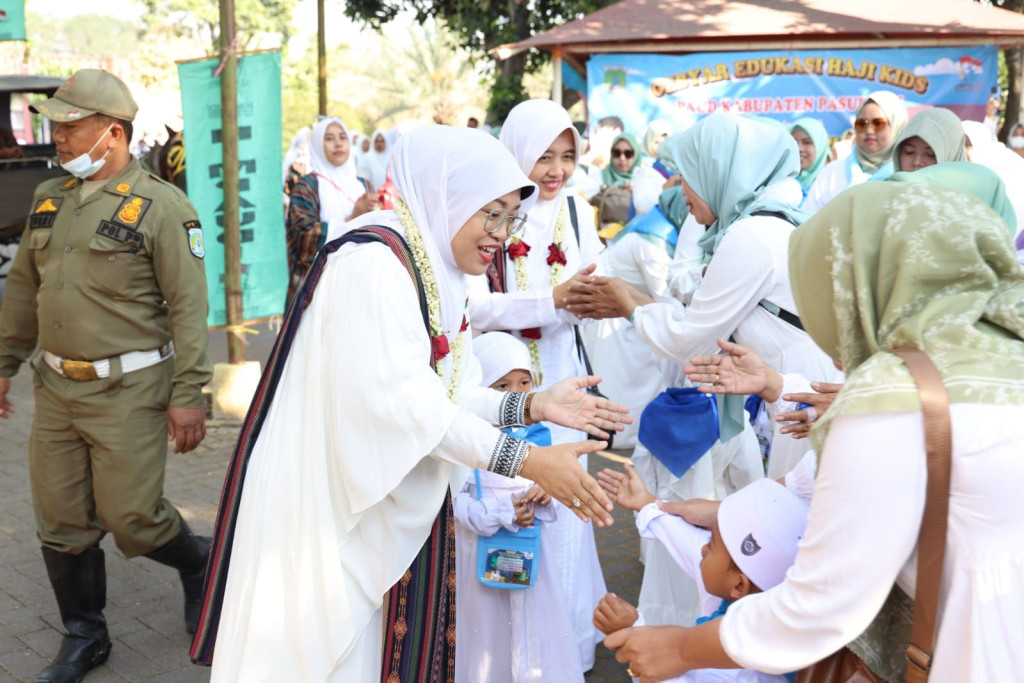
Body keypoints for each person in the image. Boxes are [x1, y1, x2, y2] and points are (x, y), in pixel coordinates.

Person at [189, 125, 629, 682]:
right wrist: (529, 460)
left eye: (511, 218)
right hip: (337, 511)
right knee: (333, 657)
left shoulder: (436, 265)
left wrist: (534, 407)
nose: (500, 235)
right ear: (448, 197)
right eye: (491, 214)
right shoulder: (374, 265)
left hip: (389, 498)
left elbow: (450, 393)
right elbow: (409, 406)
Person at [604, 181, 1024, 683]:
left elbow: (821, 604)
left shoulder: (889, 400)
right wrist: (722, 509)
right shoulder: (995, 359)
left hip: (972, 652)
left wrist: (681, 647)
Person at [0, 69, 213, 683]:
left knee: (133, 518)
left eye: (71, 127)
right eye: (55, 126)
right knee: (61, 518)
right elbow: (23, 291)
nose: (58, 138)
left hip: (130, 390)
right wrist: (4, 364)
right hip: (55, 389)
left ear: (113, 133)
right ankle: (85, 636)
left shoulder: (164, 207)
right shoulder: (49, 198)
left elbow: (188, 308)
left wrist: (189, 394)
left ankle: (199, 561)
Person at [469, 98, 608, 671]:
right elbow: (476, 309)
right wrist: (549, 301)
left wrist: (594, 297)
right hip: (507, 379)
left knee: (565, 503)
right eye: (543, 156)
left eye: (567, 156)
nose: (556, 170)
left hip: (563, 373)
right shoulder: (497, 211)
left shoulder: (577, 211)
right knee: (510, 500)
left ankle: (566, 647)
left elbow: (593, 277)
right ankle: (512, 650)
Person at [454, 331, 584, 683]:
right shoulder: (467, 443)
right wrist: (501, 514)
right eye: (502, 385)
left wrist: (544, 493)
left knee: (533, 629)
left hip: (528, 557)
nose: (515, 393)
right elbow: (456, 506)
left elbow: (552, 500)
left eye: (524, 383)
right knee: (488, 634)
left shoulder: (537, 438)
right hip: (480, 560)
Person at [594, 473, 807, 683]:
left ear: (739, 585)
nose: (703, 549)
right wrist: (647, 505)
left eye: (711, 545)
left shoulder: (742, 669)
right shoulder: (752, 593)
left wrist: (632, 630)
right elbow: (690, 543)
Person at [285, 116, 378, 303]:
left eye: (343, 137)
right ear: (317, 144)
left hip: (360, 282)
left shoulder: (363, 185)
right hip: (317, 288)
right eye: (329, 138)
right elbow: (304, 237)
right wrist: (352, 217)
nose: (338, 144)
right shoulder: (307, 186)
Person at [803, 90, 908, 212]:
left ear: (897, 126)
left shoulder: (905, 174)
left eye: (878, 123)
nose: (869, 131)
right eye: (861, 124)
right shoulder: (832, 172)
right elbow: (808, 217)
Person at [892, 107, 966, 173]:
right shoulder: (887, 183)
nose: (917, 162)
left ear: (951, 155)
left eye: (931, 155)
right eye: (909, 152)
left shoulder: (969, 184)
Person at [787, 117, 830, 202]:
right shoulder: (779, 183)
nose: (799, 148)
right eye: (793, 142)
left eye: (806, 142)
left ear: (820, 147)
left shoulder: (831, 183)